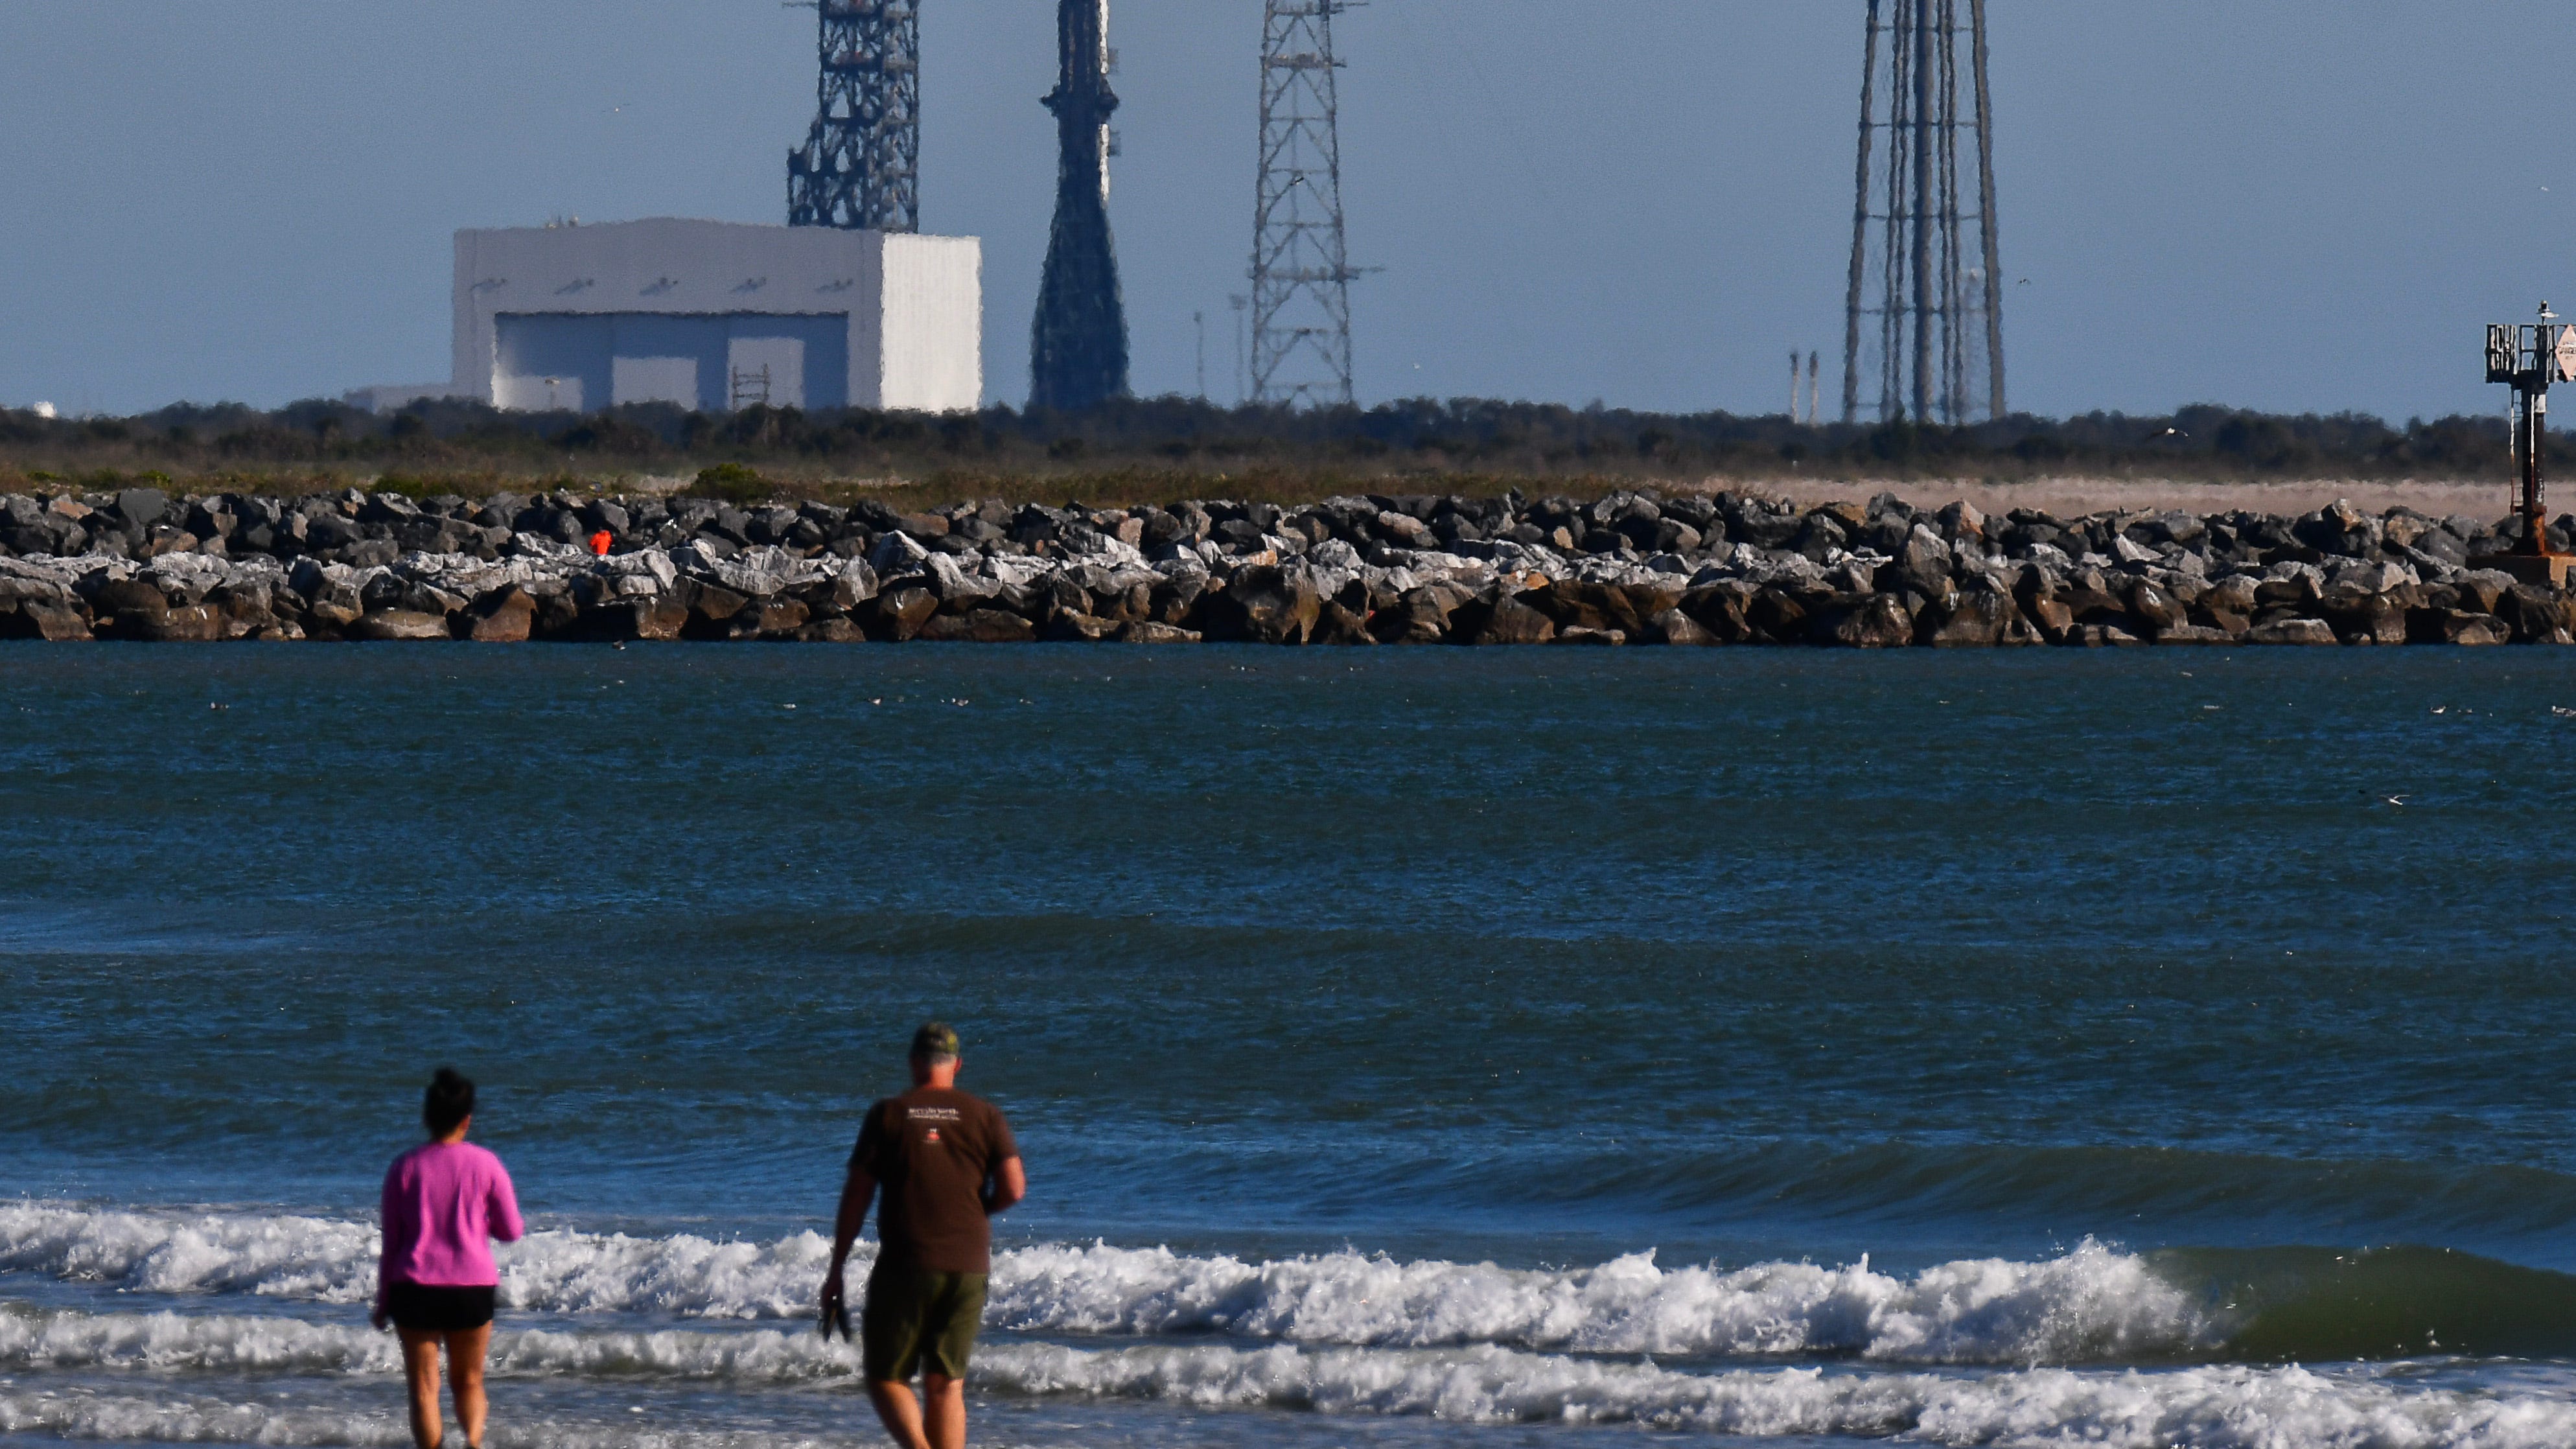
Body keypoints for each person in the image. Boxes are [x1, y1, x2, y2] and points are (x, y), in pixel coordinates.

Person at [822, 1023, 1025, 1449]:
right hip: (968, 1265)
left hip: (907, 1264)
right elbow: (1014, 1188)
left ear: (914, 1063)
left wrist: (837, 1268)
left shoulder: (889, 1114)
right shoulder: (985, 1115)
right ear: (957, 1064)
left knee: (884, 1377)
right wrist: (977, 1210)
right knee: (946, 1385)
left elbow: (858, 1195)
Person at [373, 1068, 524, 1449]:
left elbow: (392, 1243)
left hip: (414, 1288)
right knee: (470, 1380)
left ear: (426, 1117)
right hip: (471, 1287)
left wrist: (382, 1301)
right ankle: (472, 1443)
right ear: (467, 1119)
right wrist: (477, 1220)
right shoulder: (487, 1164)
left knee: (424, 1386)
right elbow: (511, 1231)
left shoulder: (404, 1167)